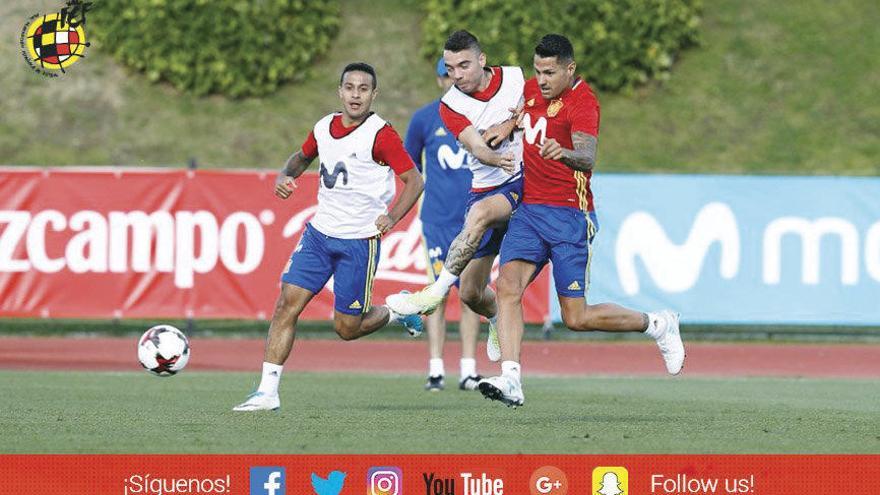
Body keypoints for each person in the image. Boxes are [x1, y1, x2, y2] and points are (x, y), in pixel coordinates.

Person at [477, 34, 686, 408]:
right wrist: (509, 126)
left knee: (576, 316)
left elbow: (588, 157)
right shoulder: (531, 90)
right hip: (530, 212)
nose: (542, 79)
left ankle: (657, 324)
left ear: (569, 69)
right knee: (507, 287)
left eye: (550, 72)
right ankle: (511, 379)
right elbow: (523, 111)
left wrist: (564, 152)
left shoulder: (583, 103)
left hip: (570, 216)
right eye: (538, 70)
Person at [233, 62, 425, 412]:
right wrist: (285, 175)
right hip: (320, 235)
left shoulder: (381, 135)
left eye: (363, 89)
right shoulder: (324, 126)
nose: (355, 94)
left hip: (359, 242)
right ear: (340, 91)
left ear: (373, 94)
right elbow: (302, 156)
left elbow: (415, 181)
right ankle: (267, 393)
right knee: (285, 305)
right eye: (349, 87)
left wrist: (392, 217)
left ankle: (397, 310)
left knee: (346, 329)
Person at [386, 30, 525, 365]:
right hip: (484, 187)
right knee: (471, 293)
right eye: (450, 69)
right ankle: (493, 319)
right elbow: (477, 147)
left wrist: (507, 126)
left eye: (464, 66)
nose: (456, 76)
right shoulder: (449, 106)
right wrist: (494, 156)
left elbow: (533, 102)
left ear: (482, 59)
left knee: (478, 214)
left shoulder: (516, 77)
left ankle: (432, 295)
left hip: (521, 183)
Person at [405, 57, 483, 391]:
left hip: (476, 220)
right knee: (436, 294)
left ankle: (468, 369)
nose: (451, 82)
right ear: (439, 81)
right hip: (437, 220)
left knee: (471, 294)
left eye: (456, 75)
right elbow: (407, 164)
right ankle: (436, 368)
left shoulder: (483, 115)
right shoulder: (424, 119)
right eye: (445, 76)